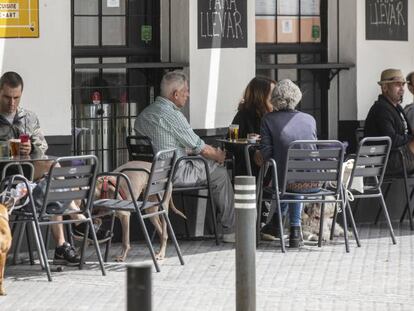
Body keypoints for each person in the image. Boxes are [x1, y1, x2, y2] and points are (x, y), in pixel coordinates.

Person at [134, 71, 235, 242]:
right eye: (186, 90)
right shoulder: (173, 115)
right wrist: (218, 155)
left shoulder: (144, 115)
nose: (188, 94)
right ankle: (230, 231)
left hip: (153, 174)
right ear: (175, 94)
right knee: (220, 174)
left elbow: (163, 147)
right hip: (175, 173)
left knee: (210, 167)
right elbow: (200, 147)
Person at [0, 71, 83, 265]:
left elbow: (42, 146)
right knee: (53, 170)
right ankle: (77, 218)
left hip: (30, 179)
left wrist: (32, 147)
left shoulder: (28, 117)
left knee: (52, 177)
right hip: (5, 180)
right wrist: (7, 148)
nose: (12, 103)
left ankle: (62, 245)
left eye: (16, 98)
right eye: (7, 97)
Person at [259, 79, 318, 248]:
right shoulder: (310, 119)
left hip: (288, 182)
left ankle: (293, 229)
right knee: (294, 174)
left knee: (288, 178)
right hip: (315, 180)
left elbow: (266, 154)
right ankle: (281, 226)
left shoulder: (268, 119)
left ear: (275, 98)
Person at [364, 68, 414, 175]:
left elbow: (408, 134)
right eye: (397, 84)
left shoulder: (397, 108)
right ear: (385, 87)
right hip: (385, 161)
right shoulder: (381, 109)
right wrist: (411, 138)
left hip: (398, 156)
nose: (402, 88)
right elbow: (391, 140)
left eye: (403, 85)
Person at [230, 76, 276, 176]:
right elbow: (229, 141)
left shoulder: (276, 116)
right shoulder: (242, 115)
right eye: (272, 95)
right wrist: (251, 149)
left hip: (273, 169)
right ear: (261, 95)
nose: (276, 98)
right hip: (249, 170)